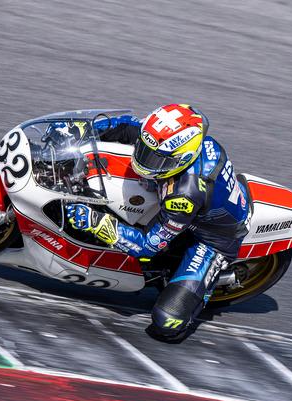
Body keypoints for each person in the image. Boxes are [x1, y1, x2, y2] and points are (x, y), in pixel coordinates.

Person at [64, 104, 251, 339]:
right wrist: (84, 129)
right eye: (145, 150)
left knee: (167, 322)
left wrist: (96, 222)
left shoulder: (185, 195)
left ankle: (208, 283)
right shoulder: (178, 140)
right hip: (200, 207)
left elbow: (147, 245)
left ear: (180, 159)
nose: (145, 159)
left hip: (214, 239)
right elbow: (129, 127)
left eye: (155, 159)